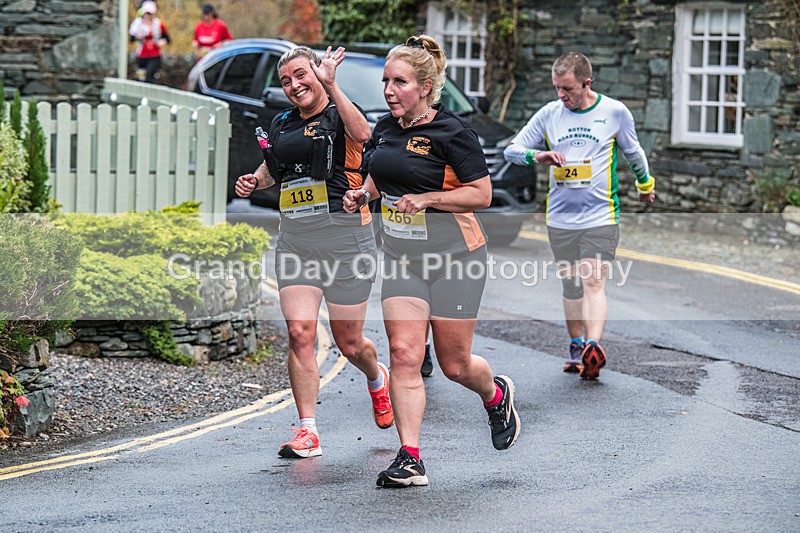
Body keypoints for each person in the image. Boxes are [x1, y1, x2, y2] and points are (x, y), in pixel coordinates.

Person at [344, 35, 520, 488]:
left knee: (455, 365)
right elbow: (379, 175)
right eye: (386, 81)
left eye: (399, 82)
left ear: (424, 87)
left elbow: (482, 194)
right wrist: (362, 193)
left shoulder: (453, 132)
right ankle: (410, 457)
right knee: (404, 355)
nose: (389, 90)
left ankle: (495, 394)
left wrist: (428, 199)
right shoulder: (385, 128)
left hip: (457, 257)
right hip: (402, 258)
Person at [234, 46, 393, 459]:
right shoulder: (282, 122)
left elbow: (365, 135)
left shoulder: (341, 113)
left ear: (317, 74)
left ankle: (377, 378)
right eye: (286, 81)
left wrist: (332, 84)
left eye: (301, 75)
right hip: (296, 242)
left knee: (349, 343)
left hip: (346, 240)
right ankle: (308, 430)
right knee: (300, 333)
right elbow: (274, 168)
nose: (294, 85)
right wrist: (254, 180)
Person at [503, 52, 656, 379]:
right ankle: (576, 346)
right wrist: (537, 156)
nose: (561, 95)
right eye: (557, 88)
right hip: (560, 218)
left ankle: (592, 346)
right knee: (571, 285)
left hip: (601, 215)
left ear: (587, 83)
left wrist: (646, 185)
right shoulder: (550, 114)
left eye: (568, 89)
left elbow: (634, 152)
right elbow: (511, 151)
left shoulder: (614, 112)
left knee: (593, 280)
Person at [129, 0, 169, 84]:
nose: (148, 16)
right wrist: (137, 36)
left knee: (149, 75)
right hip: (141, 55)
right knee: (141, 77)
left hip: (154, 54)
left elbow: (167, 38)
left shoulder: (158, 24)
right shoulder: (137, 23)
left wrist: (161, 42)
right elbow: (131, 38)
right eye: (147, 13)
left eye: (150, 14)